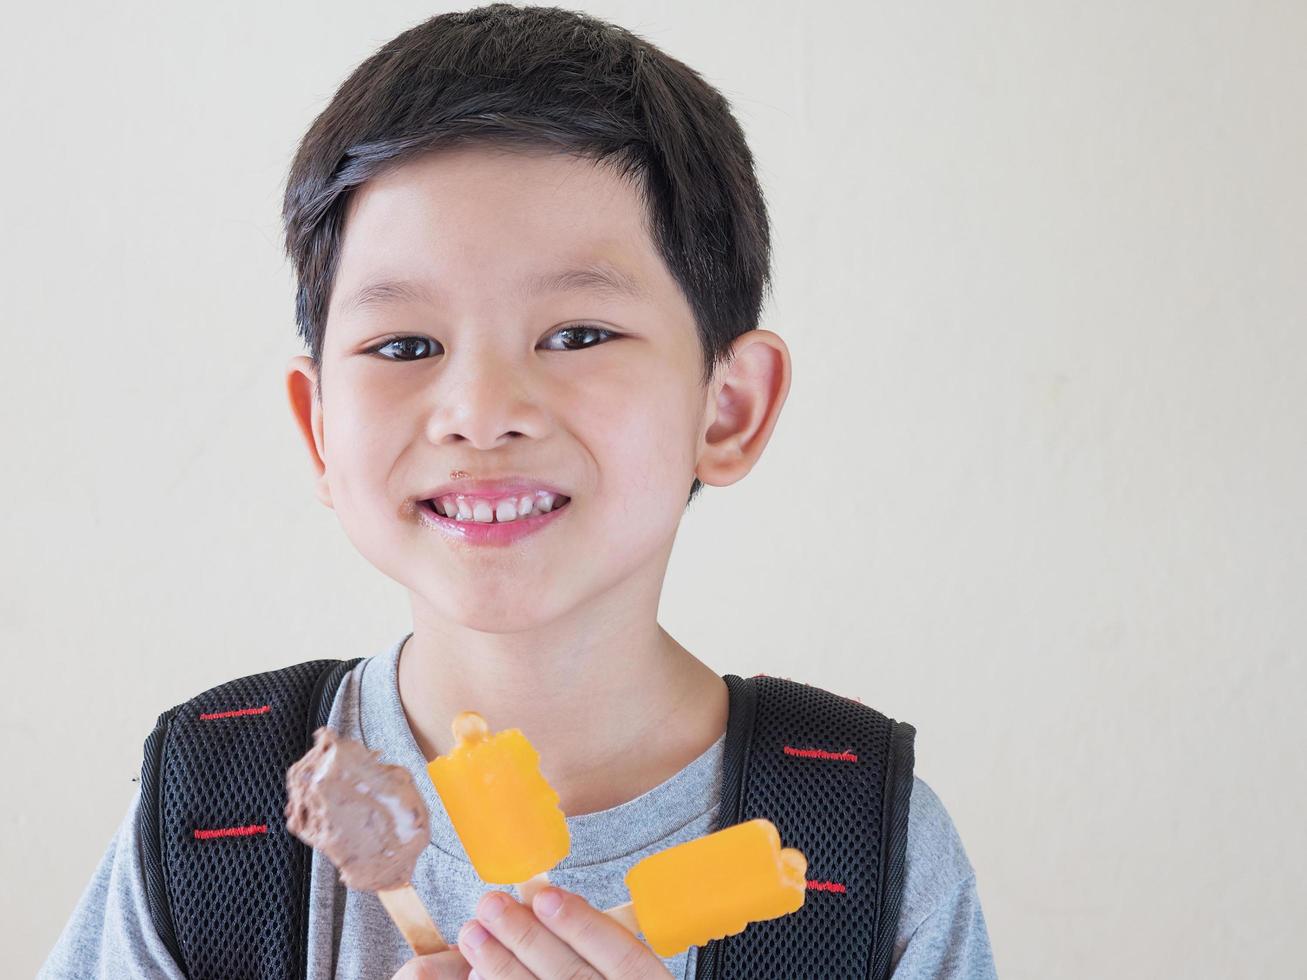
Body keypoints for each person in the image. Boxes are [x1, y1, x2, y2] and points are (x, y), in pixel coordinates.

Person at [40, 4, 997, 978]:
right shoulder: (212, 810)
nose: (481, 409)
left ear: (726, 408)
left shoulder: (859, 844)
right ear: (320, 427)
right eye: (405, 345)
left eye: (577, 334)